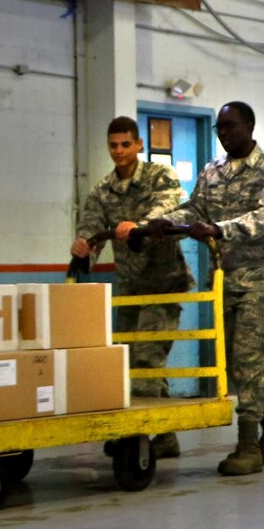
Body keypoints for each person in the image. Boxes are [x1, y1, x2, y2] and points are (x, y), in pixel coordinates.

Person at [139, 102, 264, 477]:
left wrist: (220, 229)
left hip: (259, 282)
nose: (224, 133)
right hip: (223, 282)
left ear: (250, 126)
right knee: (238, 367)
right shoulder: (212, 171)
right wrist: (161, 221)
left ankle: (248, 447)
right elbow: (195, 210)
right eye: (219, 128)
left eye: (231, 126)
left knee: (252, 363)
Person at [72, 116, 192, 456]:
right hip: (128, 287)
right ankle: (165, 435)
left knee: (148, 360)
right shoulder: (102, 189)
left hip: (163, 282)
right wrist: (83, 245)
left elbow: (167, 207)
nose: (119, 151)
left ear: (139, 144)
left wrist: (137, 226)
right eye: (113, 145)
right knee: (125, 360)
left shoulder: (160, 176)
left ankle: (138, 435)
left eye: (126, 144)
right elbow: (91, 226)